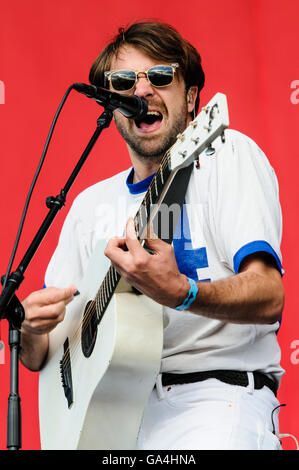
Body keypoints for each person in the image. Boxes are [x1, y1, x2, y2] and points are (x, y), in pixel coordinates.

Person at [20, 21, 285, 450]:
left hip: (214, 401)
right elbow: (45, 355)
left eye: (160, 76)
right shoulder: (89, 204)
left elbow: (270, 295)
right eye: (124, 83)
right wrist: (31, 332)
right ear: (113, 105)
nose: (141, 92)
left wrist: (182, 291)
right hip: (113, 416)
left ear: (193, 96)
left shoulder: (225, 155)